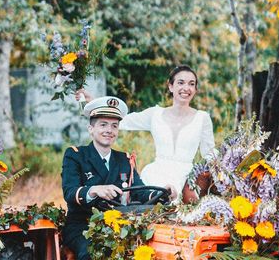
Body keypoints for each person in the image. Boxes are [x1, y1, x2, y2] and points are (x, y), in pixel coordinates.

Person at [61, 96, 176, 260]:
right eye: (103, 124)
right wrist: (94, 190)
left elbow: (140, 192)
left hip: (121, 224)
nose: (109, 130)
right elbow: (70, 192)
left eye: (114, 126)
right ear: (90, 129)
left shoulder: (124, 159)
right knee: (92, 251)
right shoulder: (76, 155)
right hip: (83, 225)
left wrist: (163, 193)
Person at [77, 65, 215, 200]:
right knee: (151, 211)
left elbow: (209, 154)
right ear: (171, 86)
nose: (186, 88)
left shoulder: (202, 118)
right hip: (156, 174)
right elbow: (123, 120)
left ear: (195, 89)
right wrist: (93, 102)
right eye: (181, 82)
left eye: (191, 84)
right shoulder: (155, 114)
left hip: (186, 178)